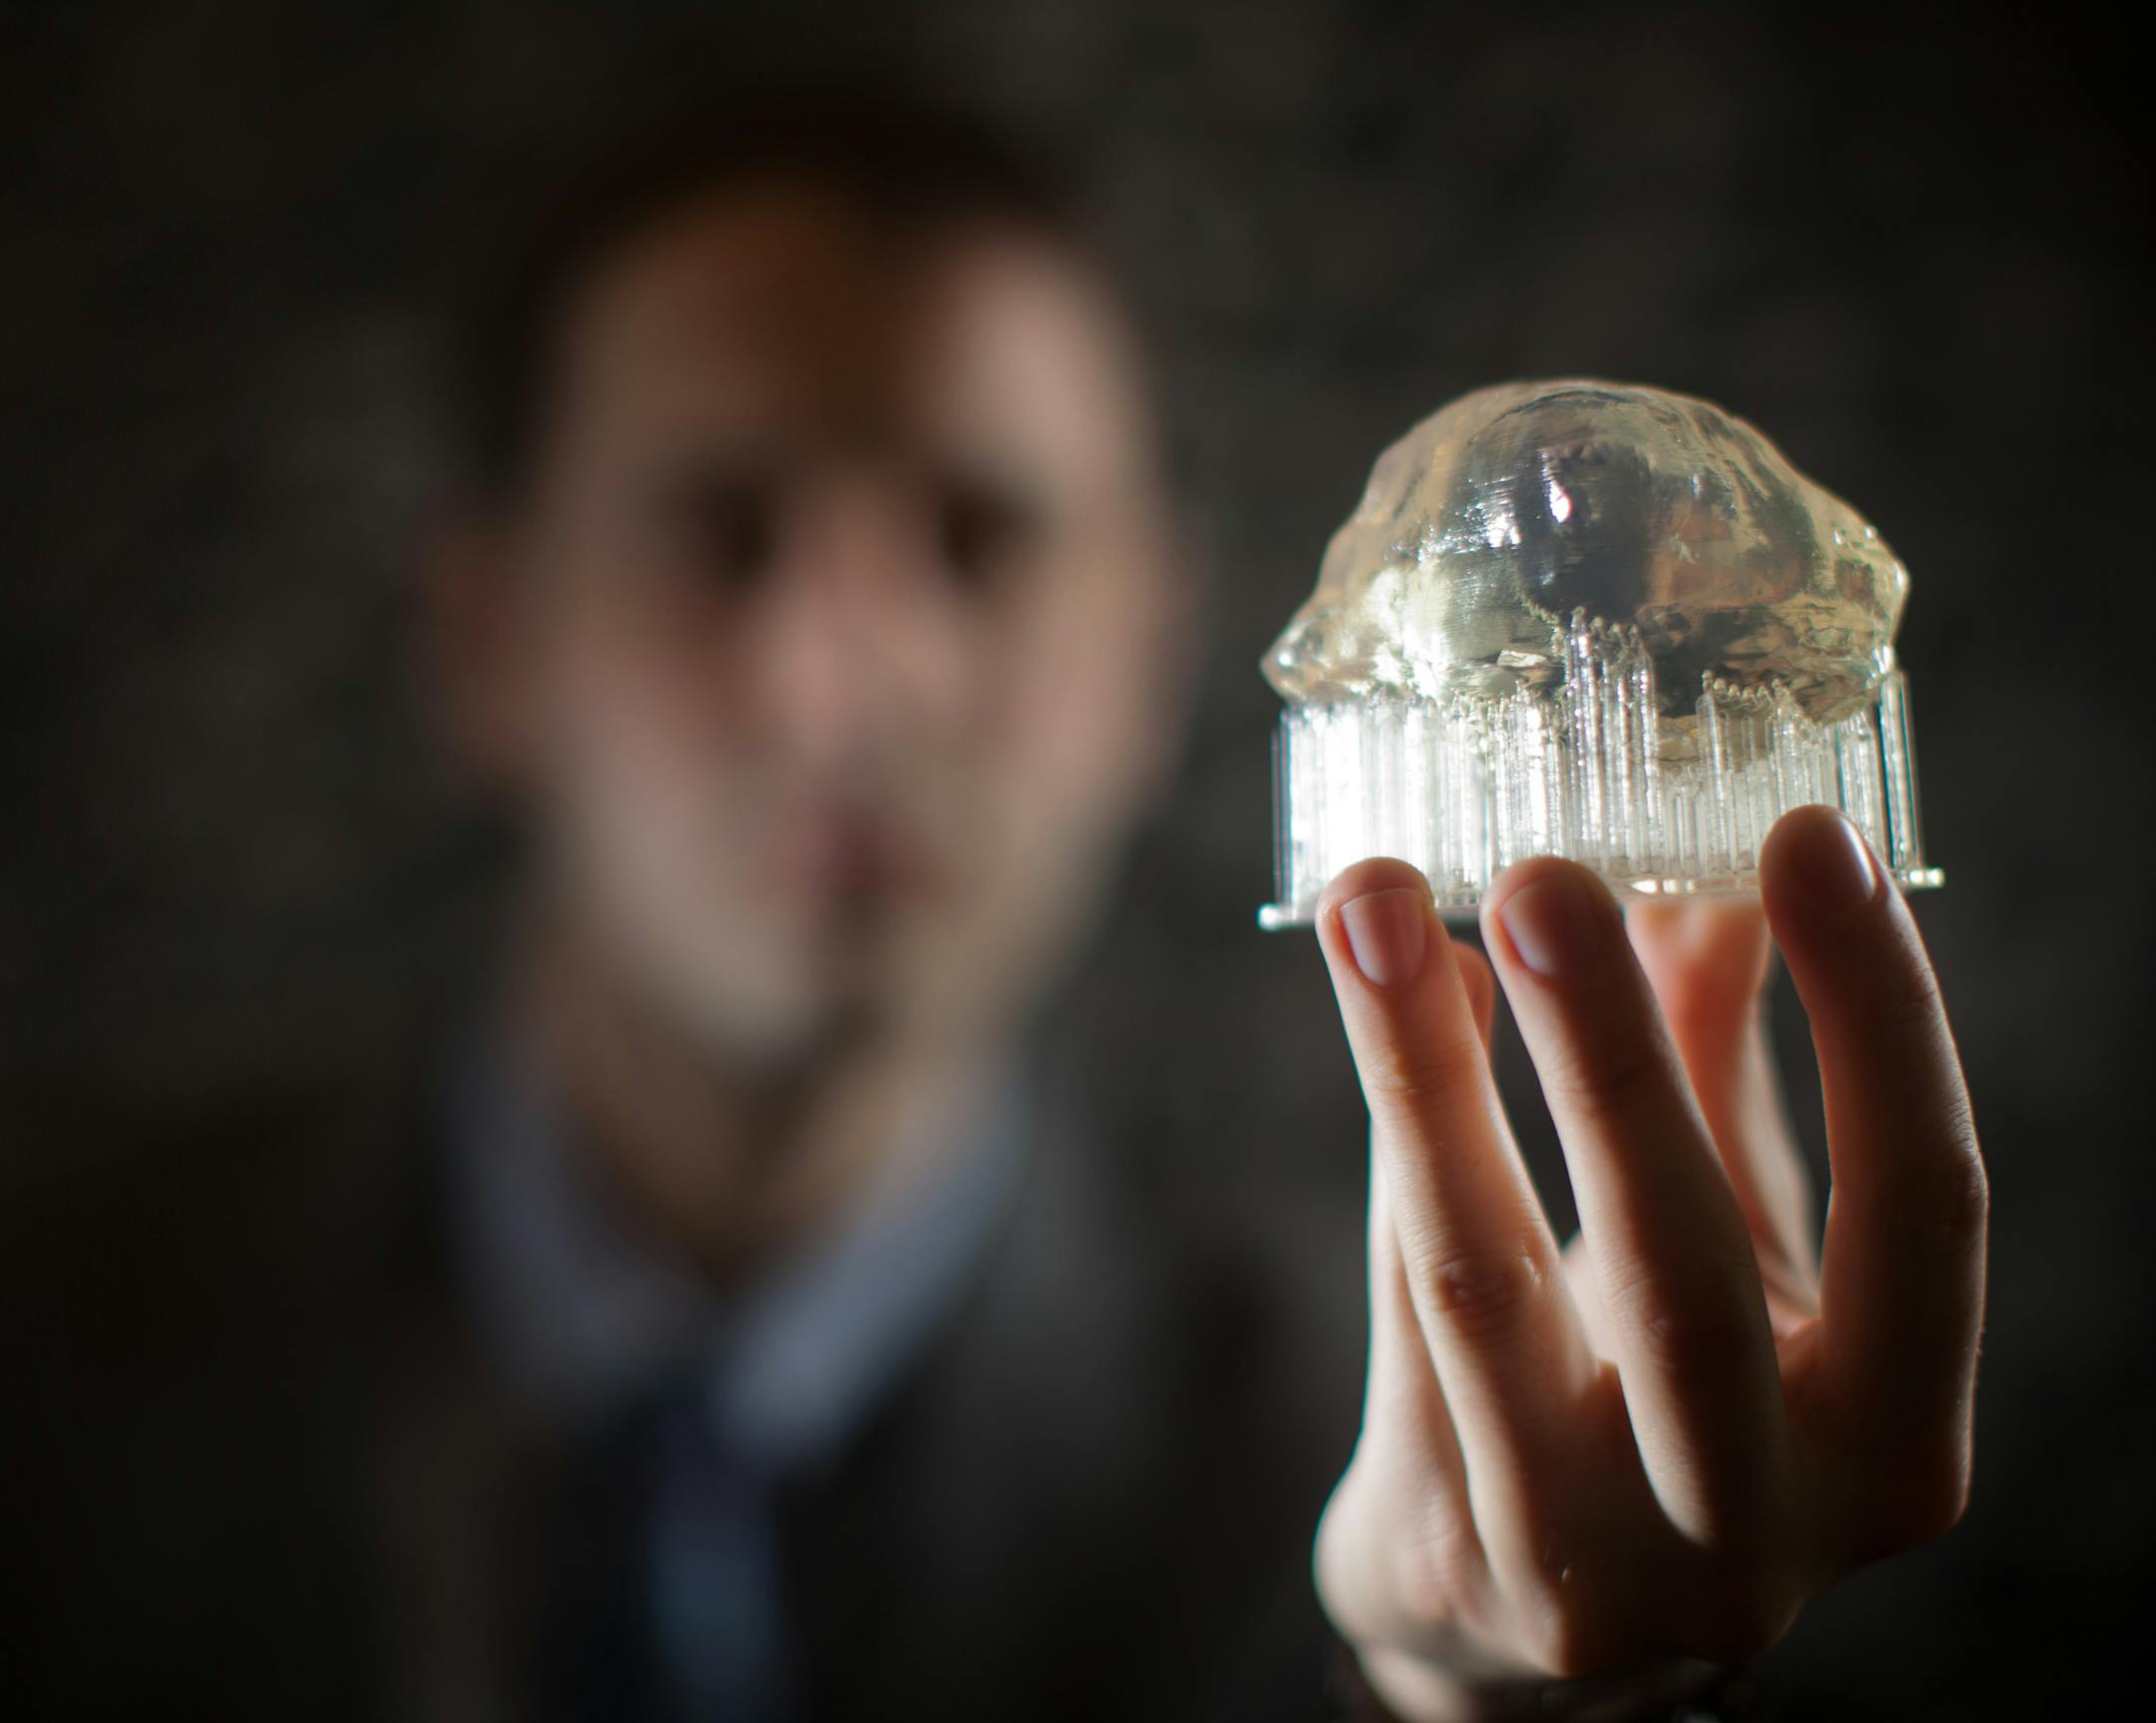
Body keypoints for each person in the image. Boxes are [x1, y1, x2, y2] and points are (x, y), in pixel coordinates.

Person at [4, 90, 1986, 1723]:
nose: (863, 682)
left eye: (986, 534)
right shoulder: (57, 1374)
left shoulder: (1347, 1445)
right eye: (725, 530)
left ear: (1153, 656)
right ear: (485, 640)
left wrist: (1449, 1684)